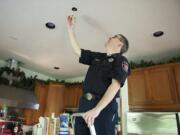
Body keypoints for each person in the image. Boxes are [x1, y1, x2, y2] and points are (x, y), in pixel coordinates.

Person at [67, 15, 131, 135]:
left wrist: (97, 110)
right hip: (84, 105)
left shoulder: (121, 60)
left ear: (120, 44)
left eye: (114, 37)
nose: (109, 37)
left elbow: (115, 86)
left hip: (103, 108)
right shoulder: (98, 57)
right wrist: (70, 30)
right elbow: (78, 51)